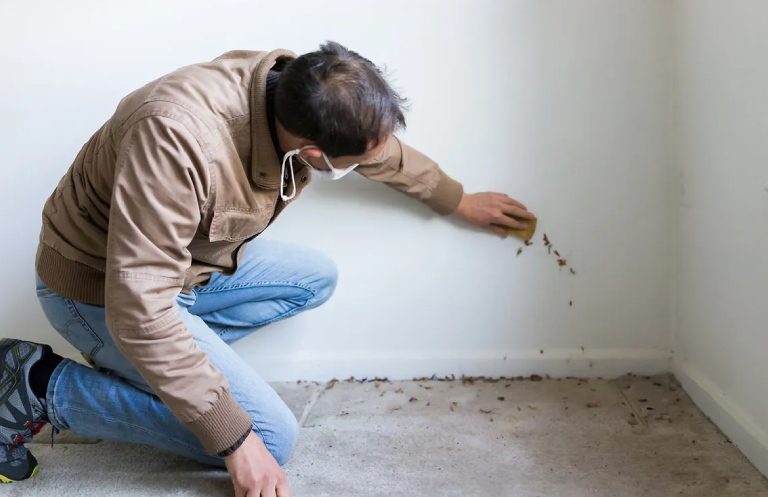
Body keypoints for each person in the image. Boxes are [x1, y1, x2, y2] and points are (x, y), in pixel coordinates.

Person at [0, 41, 535, 495]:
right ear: (311, 154)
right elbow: (140, 307)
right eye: (344, 166)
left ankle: (163, 369)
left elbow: (376, 149)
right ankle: (39, 385)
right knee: (270, 440)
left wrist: (456, 199)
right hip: (101, 290)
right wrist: (235, 439)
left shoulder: (303, 90)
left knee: (311, 278)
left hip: (186, 271)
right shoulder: (175, 137)